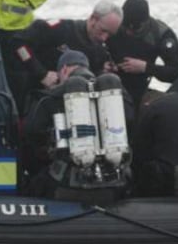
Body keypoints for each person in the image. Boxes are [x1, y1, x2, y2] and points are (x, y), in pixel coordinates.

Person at [20, 49, 130, 201]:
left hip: (65, 186)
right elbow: (131, 124)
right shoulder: (116, 96)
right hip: (115, 185)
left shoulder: (48, 98)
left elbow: (31, 133)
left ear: (63, 70)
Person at [6, 0, 122, 112]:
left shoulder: (100, 51)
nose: (104, 38)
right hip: (36, 98)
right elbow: (18, 43)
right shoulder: (59, 29)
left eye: (110, 34)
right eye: (103, 31)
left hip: (74, 107)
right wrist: (41, 74)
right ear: (93, 18)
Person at [106, 0, 178, 110]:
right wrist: (103, 63)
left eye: (134, 29)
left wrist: (146, 67)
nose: (129, 32)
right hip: (109, 82)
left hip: (140, 88)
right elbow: (91, 47)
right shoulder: (112, 24)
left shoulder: (160, 33)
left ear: (144, 23)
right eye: (125, 27)